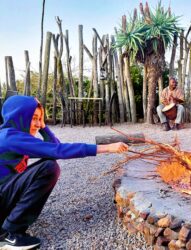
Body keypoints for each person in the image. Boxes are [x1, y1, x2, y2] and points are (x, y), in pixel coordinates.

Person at [0, 95, 128, 249]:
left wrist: (43, 126)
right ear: (19, 116)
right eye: (34, 118)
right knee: (48, 168)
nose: (38, 124)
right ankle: (8, 234)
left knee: (48, 164)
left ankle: (10, 221)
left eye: (40, 119)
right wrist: (107, 148)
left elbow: (54, 146)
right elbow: (59, 150)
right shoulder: (9, 137)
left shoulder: (14, 137)